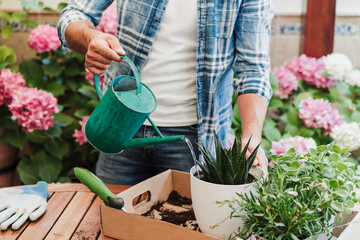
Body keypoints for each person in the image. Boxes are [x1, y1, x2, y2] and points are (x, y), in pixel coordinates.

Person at [58, 0, 273, 185]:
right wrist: (90, 38)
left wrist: (251, 137)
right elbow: (74, 14)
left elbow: (252, 67)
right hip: (121, 125)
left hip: (194, 137)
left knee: (186, 230)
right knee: (114, 219)